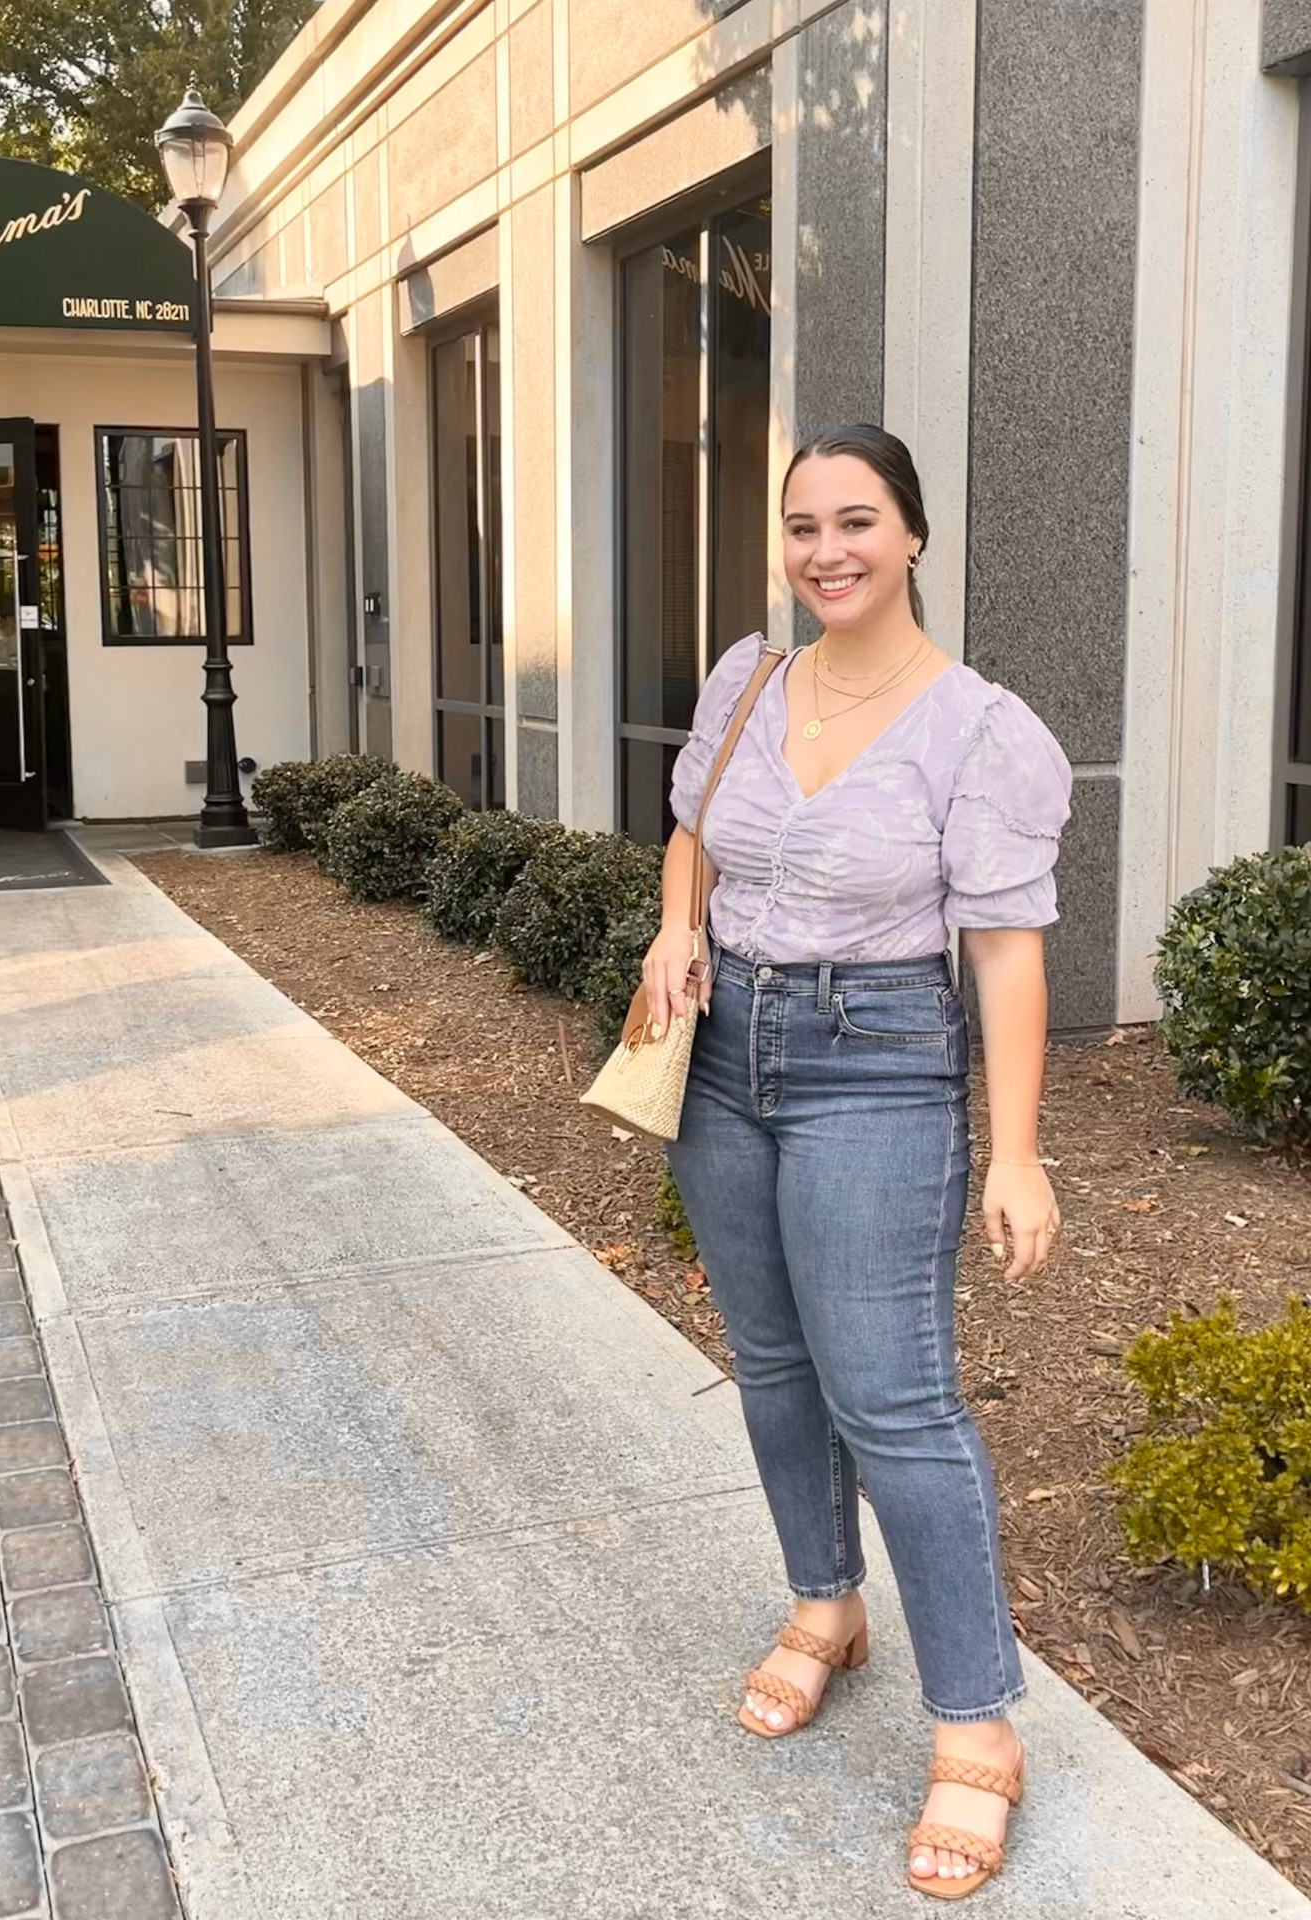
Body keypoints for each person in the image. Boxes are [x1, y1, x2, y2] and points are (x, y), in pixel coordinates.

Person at [642, 425, 1071, 1901]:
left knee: (895, 1397)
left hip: (876, 1062)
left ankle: (978, 1723)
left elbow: (1006, 956)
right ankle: (826, 1606)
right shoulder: (749, 677)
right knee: (770, 1360)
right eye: (804, 524)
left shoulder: (979, 729)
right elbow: (695, 823)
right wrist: (674, 922)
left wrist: (1015, 1152)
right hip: (724, 1050)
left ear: (915, 536)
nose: (827, 550)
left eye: (858, 521)